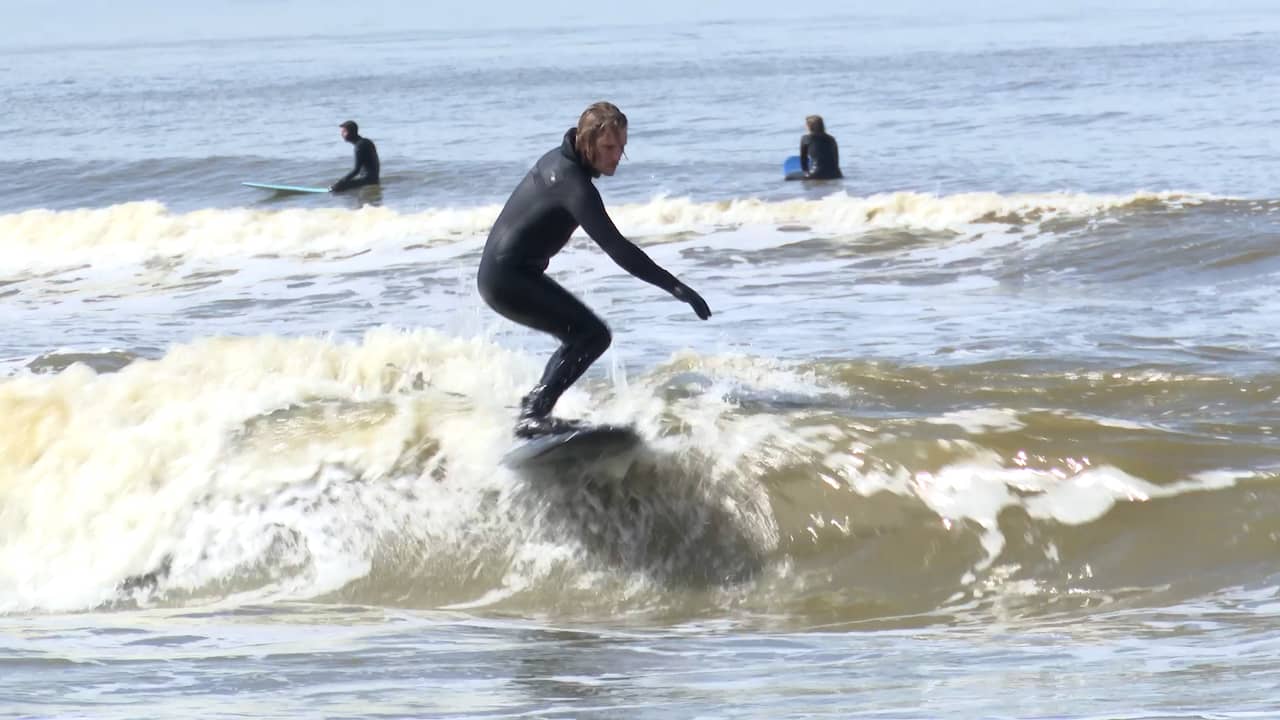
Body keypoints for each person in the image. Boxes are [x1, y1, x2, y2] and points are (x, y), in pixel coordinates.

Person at [478, 101, 712, 438]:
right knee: (591, 335)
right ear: (587, 142)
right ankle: (533, 414)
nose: (617, 156)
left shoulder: (561, 163)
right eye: (609, 147)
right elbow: (617, 248)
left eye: (621, 147)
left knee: (582, 335)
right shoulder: (573, 184)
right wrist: (676, 287)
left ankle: (534, 408)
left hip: (508, 275)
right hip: (507, 278)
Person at [329, 120, 380, 192]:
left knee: (336, 189)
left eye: (344, 132)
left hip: (368, 181)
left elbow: (356, 170)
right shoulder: (366, 141)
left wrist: (341, 182)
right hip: (373, 180)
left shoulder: (359, 146)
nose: (342, 134)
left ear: (350, 132)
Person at [799, 115, 842, 180]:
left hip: (816, 174)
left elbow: (803, 160)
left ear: (809, 126)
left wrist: (805, 173)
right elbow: (836, 161)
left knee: (789, 179)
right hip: (836, 174)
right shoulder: (832, 139)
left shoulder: (805, 138)